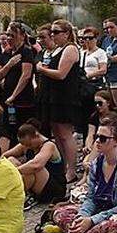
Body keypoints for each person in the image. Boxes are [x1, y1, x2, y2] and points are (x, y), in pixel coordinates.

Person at [35, 20, 82, 181]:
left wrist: (42, 69)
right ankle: (62, 167)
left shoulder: (70, 49)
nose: (53, 35)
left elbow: (61, 73)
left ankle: (71, 169)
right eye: (52, 32)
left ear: (66, 33)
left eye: (56, 32)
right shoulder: (56, 49)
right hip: (51, 96)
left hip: (64, 96)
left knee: (65, 134)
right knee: (56, 132)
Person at [8, 122, 67, 205]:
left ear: (36, 135)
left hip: (54, 187)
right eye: (24, 145)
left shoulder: (49, 145)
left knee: (31, 169)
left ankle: (19, 197)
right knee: (11, 160)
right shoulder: (26, 145)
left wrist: (12, 171)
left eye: (29, 144)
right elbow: (5, 155)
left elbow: (36, 165)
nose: (27, 147)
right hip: (38, 184)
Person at [77, 26, 108, 132]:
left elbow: (103, 70)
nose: (87, 40)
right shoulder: (81, 52)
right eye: (84, 38)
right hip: (82, 86)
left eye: (90, 38)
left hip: (94, 84)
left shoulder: (100, 52)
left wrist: (88, 75)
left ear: (96, 39)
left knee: (94, 111)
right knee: (82, 112)